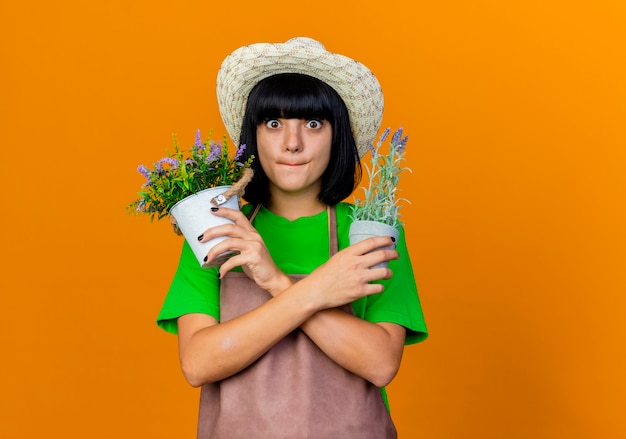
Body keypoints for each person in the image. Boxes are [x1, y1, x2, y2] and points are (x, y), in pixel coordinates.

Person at [157, 37, 428, 438]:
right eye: (274, 123)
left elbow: (380, 363)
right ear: (254, 135)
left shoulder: (371, 232)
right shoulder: (217, 229)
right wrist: (317, 291)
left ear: (338, 136)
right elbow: (198, 363)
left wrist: (275, 280)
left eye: (313, 124)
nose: (292, 143)